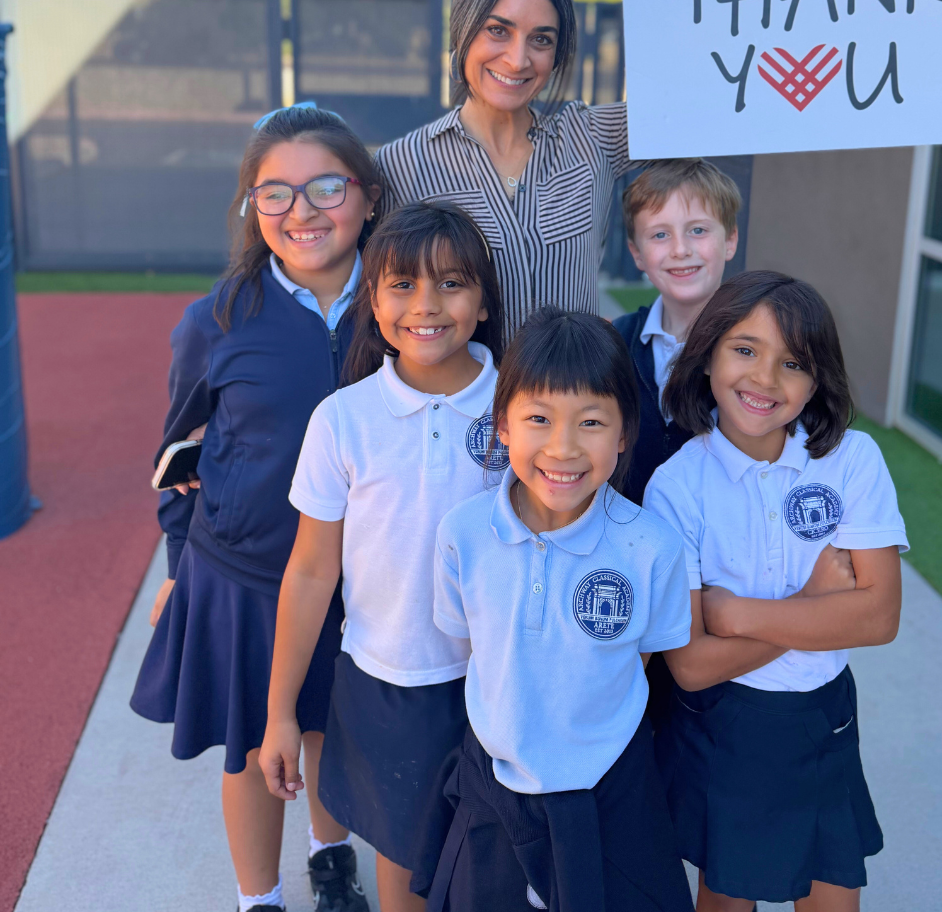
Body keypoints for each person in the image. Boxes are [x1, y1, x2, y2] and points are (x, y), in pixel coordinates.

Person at [372, 0, 912, 339]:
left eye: (541, 39)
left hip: (578, 423)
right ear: (463, 29)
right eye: (498, 30)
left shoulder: (591, 137)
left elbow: (736, 90)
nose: (518, 59)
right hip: (467, 425)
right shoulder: (400, 165)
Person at [130, 104, 380, 912]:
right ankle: (258, 900)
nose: (301, 212)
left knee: (329, 736)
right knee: (249, 748)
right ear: (251, 206)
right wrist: (178, 565)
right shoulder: (217, 319)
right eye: (275, 193)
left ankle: (330, 856)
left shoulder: (403, 305)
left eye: (325, 188)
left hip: (362, 576)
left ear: (368, 198)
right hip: (242, 578)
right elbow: (179, 457)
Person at [259, 202, 504, 912]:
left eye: (452, 284)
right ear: (373, 299)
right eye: (402, 285)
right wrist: (280, 712)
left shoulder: (524, 405)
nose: (426, 306)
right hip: (387, 684)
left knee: (495, 867)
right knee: (406, 874)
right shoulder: (343, 420)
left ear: (484, 301)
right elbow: (310, 573)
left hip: (498, 681)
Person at [645, 271, 908, 912]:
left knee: (832, 893)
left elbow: (877, 618)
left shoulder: (851, 459)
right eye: (745, 349)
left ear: (818, 381)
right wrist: (812, 604)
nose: (764, 379)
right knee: (728, 895)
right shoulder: (676, 487)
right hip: (726, 728)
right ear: (706, 352)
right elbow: (694, 666)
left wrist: (733, 613)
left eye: (794, 363)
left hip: (824, 719)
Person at [418, 307, 694, 911]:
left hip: (613, 788)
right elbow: (473, 643)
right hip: (495, 782)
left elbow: (643, 655)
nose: (563, 448)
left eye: (591, 422)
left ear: (624, 435)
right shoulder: (463, 533)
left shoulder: (652, 547)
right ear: (502, 426)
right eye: (539, 418)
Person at [612, 158, 742, 507]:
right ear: (637, 253)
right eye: (660, 234)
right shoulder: (615, 344)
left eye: (698, 230)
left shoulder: (756, 348)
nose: (680, 249)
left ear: (730, 240)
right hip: (630, 545)